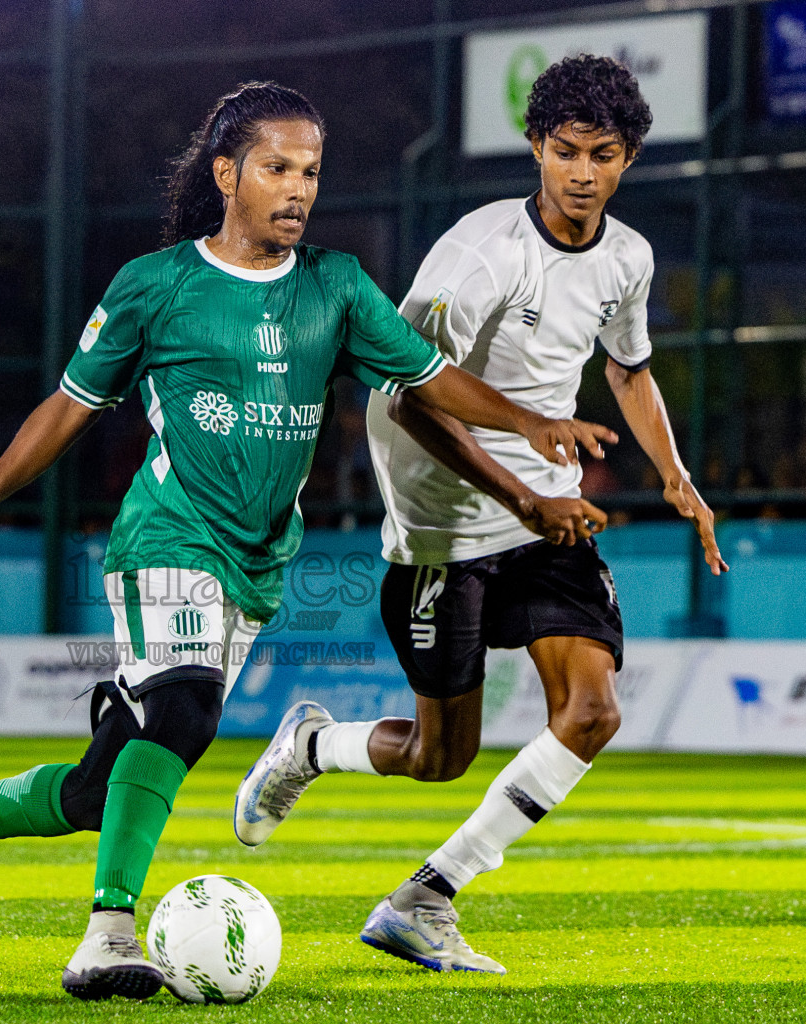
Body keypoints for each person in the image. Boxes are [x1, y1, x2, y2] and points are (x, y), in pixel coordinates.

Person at [0, 81, 616, 1002]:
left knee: (96, 791)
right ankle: (107, 936)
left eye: (311, 171)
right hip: (167, 537)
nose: (298, 189)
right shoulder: (155, 285)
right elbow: (72, 404)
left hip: (257, 561)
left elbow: (430, 380)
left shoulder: (335, 284)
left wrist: (530, 423)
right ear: (226, 174)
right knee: (187, 709)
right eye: (277, 168)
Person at [234, 56, 727, 975]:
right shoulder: (480, 253)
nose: (582, 173)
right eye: (566, 151)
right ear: (536, 147)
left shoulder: (628, 257)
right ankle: (312, 745)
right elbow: (409, 396)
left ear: (629, 158)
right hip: (443, 516)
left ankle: (427, 896)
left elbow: (629, 369)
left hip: (545, 505)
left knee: (592, 712)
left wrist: (676, 478)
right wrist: (523, 496)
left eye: (604, 155)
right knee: (439, 756)